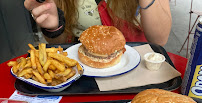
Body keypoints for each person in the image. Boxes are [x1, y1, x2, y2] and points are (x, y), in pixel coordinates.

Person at [24, 0, 172, 46]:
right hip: (83, 74)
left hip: (138, 67)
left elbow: (159, 40)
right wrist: (54, 28)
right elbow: (61, 44)